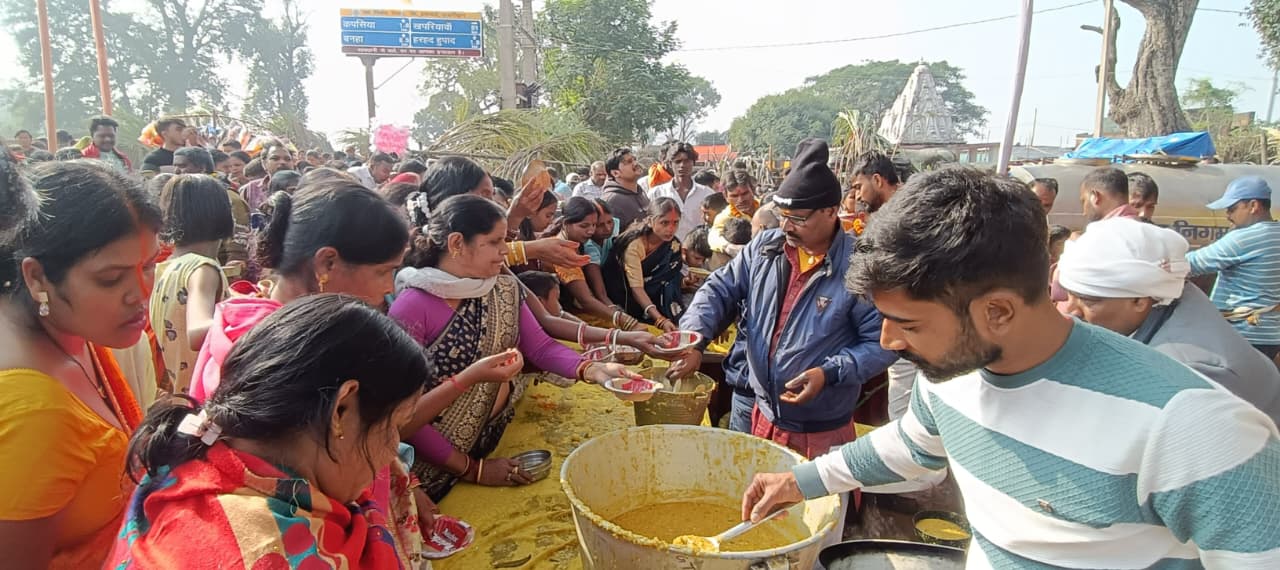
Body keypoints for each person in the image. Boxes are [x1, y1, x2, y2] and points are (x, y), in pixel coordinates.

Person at [740, 166, 1280, 568]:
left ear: (996, 311)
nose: (888, 342)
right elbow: (910, 446)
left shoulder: (1195, 426)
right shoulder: (949, 377)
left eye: (908, 322)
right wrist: (801, 481)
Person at [109, 296, 430, 568]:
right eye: (394, 427)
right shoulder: (267, 553)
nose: (392, 450)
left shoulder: (192, 457)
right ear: (341, 410)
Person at [390, 194, 641, 499]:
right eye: (495, 242)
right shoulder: (412, 307)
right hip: (430, 470)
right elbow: (399, 417)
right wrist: (473, 469)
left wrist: (594, 369)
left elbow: (542, 347)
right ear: (457, 243)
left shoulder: (502, 288)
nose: (504, 251)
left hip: (487, 439)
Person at [673, 140, 894, 457]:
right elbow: (718, 289)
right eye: (783, 215)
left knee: (810, 504)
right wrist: (694, 338)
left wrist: (830, 372)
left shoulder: (859, 267)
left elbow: (881, 343)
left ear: (831, 211)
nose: (786, 226)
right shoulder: (766, 247)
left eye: (799, 218)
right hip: (757, 409)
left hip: (819, 426)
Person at [0, 161, 160, 568]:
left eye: (149, 266)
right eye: (111, 279)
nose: (141, 294)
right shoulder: (36, 413)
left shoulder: (66, 330)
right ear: (37, 278)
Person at [1059, 218, 1280, 423]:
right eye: (1069, 294)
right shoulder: (1173, 298)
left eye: (1088, 301)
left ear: (1139, 300)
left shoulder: (1185, 371)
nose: (1071, 310)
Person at [149, 175, 232, 395]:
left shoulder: (165, 267)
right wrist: (254, 319)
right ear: (222, 214)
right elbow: (197, 331)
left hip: (181, 392)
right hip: (206, 392)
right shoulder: (203, 269)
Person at [1187, 176, 1280, 359]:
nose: (1228, 215)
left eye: (1232, 208)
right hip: (1270, 333)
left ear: (1253, 206)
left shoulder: (1246, 237)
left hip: (1244, 333)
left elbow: (1191, 264)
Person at [547, 197, 642, 329]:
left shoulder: (577, 244)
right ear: (565, 224)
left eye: (593, 225)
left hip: (580, 313)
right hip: (561, 318)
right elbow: (585, 300)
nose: (591, 231)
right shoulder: (562, 252)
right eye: (584, 226)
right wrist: (626, 322)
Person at [604, 198, 685, 331]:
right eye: (664, 223)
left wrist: (684, 281)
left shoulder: (673, 245)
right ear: (650, 220)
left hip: (656, 302)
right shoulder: (634, 245)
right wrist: (660, 319)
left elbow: (669, 275)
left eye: (675, 223)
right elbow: (637, 288)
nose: (671, 229)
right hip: (626, 299)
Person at [173, 147, 251, 270]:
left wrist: (233, 270)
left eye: (183, 166)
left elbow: (238, 245)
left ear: (202, 167)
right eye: (175, 166)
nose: (177, 171)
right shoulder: (181, 198)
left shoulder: (228, 197)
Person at [649, 142, 716, 241]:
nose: (682, 165)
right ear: (670, 164)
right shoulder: (657, 193)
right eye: (678, 161)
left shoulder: (707, 194)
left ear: (693, 162)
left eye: (687, 161)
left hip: (698, 250)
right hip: (666, 251)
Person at [708, 169, 759, 260]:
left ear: (753, 190)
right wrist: (729, 247)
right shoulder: (725, 216)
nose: (741, 200)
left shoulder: (765, 208)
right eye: (734, 196)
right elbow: (713, 236)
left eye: (745, 193)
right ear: (725, 196)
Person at [600, 148, 650, 233]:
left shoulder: (641, 192)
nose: (635, 163)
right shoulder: (611, 201)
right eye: (629, 162)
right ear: (616, 173)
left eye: (635, 159)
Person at [239, 142, 294, 212]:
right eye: (275, 158)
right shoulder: (250, 189)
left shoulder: (304, 188)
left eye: (287, 159)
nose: (282, 162)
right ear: (264, 163)